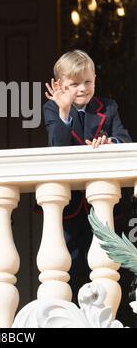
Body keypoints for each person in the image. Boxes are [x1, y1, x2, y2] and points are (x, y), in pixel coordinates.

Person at [43, 49, 132, 298]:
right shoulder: (52, 109)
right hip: (69, 204)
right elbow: (56, 146)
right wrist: (63, 111)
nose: (82, 88)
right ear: (60, 85)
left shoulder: (109, 107)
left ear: (95, 79)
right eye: (74, 84)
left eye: (88, 82)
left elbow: (124, 138)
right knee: (70, 263)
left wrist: (110, 142)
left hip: (101, 202)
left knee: (106, 262)